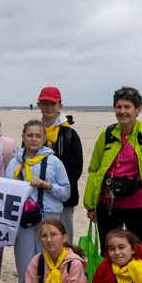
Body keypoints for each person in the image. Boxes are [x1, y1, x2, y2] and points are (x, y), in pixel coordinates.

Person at [84, 86, 142, 250]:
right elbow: (94, 170)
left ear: (137, 109)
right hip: (108, 205)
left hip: (139, 206)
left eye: (127, 107)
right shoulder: (107, 134)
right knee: (109, 253)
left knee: (140, 255)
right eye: (118, 107)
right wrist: (91, 205)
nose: (122, 111)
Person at [5, 120, 70, 283]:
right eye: (30, 135)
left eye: (38, 136)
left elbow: (66, 193)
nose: (33, 139)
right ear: (23, 137)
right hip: (23, 220)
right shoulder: (14, 164)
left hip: (48, 218)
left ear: (44, 139)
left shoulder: (54, 162)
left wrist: (47, 185)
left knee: (49, 265)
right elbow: (6, 194)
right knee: (25, 266)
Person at [35, 87, 83, 237]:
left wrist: (56, 188)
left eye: (53, 104)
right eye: (45, 103)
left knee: (64, 238)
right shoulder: (34, 131)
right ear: (39, 105)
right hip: (37, 197)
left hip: (63, 199)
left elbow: (76, 168)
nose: (49, 107)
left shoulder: (69, 133)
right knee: (41, 238)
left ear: (60, 106)